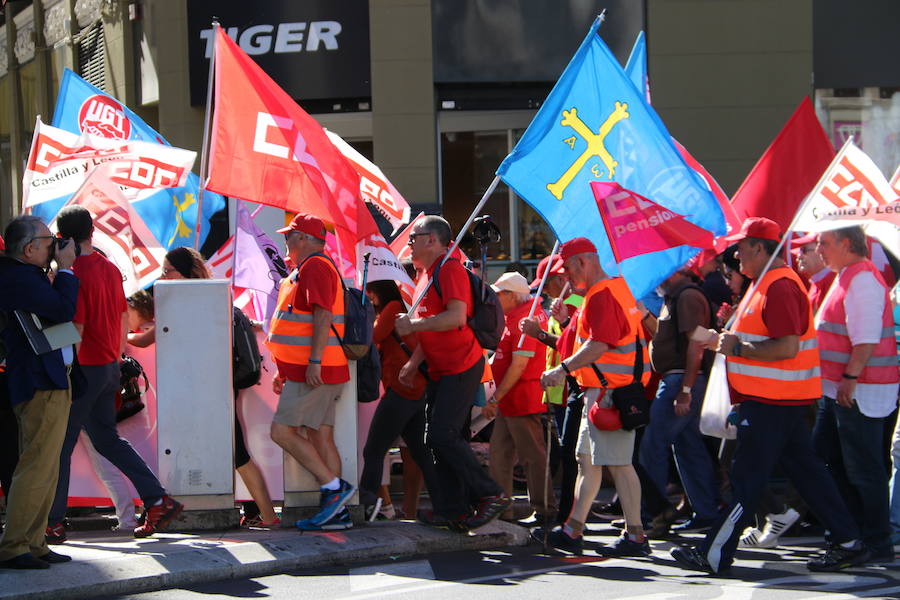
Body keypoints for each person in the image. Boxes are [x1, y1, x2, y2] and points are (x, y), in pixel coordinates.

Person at [670, 217, 869, 574]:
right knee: (807, 473)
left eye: (741, 247)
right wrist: (726, 342)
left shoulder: (778, 286)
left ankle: (714, 553)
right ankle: (848, 541)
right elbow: (762, 342)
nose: (735, 255)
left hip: (773, 401)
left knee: (745, 478)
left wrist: (737, 347)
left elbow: (787, 347)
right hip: (775, 399)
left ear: (760, 248)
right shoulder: (766, 284)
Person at [47, 206, 183, 543]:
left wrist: (49, 349)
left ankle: (52, 521)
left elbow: (75, 326)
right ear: (92, 232)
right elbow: (122, 319)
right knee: (107, 439)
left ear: (63, 238)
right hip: (109, 366)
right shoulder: (110, 268)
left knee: (60, 444)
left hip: (85, 367)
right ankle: (156, 499)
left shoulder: (72, 271)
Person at [537, 237, 651, 557]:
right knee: (589, 462)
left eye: (569, 269)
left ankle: (636, 537)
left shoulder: (601, 294)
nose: (567, 277)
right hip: (606, 391)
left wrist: (562, 370)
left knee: (619, 465)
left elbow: (601, 343)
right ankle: (573, 530)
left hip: (610, 393)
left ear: (584, 263)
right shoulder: (612, 290)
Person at [394, 215, 509, 531]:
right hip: (441, 369)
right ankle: (453, 510)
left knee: (442, 435)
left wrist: (412, 325)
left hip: (461, 365)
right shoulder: (426, 275)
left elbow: (456, 317)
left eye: (414, 237)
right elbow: (433, 326)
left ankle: (490, 494)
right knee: (438, 439)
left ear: (432, 239)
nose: (409, 242)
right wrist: (414, 362)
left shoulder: (450, 268)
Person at [160, 246, 279, 529]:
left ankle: (268, 515)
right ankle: (261, 513)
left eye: (169, 271)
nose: (163, 276)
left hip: (213, 389)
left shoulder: (203, 300)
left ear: (186, 273)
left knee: (236, 453)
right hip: (207, 389)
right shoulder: (199, 298)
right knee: (229, 451)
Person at [813, 226, 898, 563]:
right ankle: (855, 535)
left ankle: (873, 540)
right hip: (844, 390)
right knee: (831, 460)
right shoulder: (850, 274)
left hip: (858, 391)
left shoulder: (861, 279)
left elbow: (865, 338)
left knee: (862, 469)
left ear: (846, 244)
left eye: (824, 242)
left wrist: (850, 378)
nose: (819, 248)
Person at [267, 214, 355, 531]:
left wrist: (313, 362)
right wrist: (285, 369)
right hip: (314, 369)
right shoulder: (311, 267)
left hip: (314, 371)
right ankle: (338, 514)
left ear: (303, 238)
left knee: (281, 432)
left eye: (290, 236)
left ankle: (334, 488)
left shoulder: (315, 266)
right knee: (321, 436)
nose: (286, 241)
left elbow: (322, 314)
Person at [0, 215, 78, 568]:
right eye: (50, 241)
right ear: (30, 248)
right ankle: (15, 545)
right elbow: (63, 310)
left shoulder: (27, 276)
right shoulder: (18, 277)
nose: (56, 246)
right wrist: (66, 271)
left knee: (46, 467)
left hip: (49, 378)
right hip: (38, 381)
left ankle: (34, 541)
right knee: (35, 466)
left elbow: (56, 326)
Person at [639, 268, 720, 535]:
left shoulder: (686, 298)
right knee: (688, 448)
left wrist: (685, 389)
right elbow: (667, 339)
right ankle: (705, 512)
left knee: (653, 445)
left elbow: (695, 344)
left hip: (680, 382)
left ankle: (654, 516)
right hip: (680, 381)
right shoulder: (675, 297)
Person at [358, 280, 444, 522]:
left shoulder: (394, 306)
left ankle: (366, 505)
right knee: (421, 453)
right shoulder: (400, 305)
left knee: (373, 450)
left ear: (378, 291)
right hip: (414, 388)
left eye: (370, 292)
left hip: (402, 389)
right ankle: (445, 503)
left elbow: (374, 335)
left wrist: (364, 314)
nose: (369, 296)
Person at [484, 272, 557, 526]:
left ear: (511, 295)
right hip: (512, 397)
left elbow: (519, 365)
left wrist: (495, 398)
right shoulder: (520, 313)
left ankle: (544, 509)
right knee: (500, 454)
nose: (494, 298)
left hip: (520, 396)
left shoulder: (524, 317)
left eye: (498, 294)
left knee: (530, 455)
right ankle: (503, 509)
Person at [794, 232, 835, 312]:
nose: (799, 256)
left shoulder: (834, 282)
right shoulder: (816, 281)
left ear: (821, 250)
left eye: (804, 250)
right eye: (799, 251)